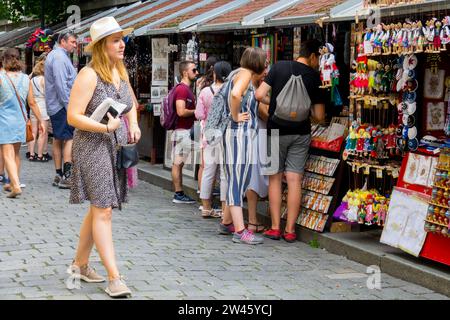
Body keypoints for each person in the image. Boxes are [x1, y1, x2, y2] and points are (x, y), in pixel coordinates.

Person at [67, 17, 140, 298]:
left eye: (122, 39)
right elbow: (74, 116)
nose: (122, 44)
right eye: (115, 40)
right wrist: (105, 127)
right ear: (101, 46)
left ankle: (79, 265)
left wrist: (132, 123)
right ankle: (114, 277)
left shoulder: (120, 70)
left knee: (100, 207)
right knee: (104, 210)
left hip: (113, 146)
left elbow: (130, 103)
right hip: (91, 146)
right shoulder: (89, 74)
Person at [255, 39, 326, 243]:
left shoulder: (279, 67)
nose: (318, 63)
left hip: (275, 131)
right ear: (312, 56)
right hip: (300, 133)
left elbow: (259, 95)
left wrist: (276, 102)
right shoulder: (315, 77)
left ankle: (275, 228)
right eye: (318, 59)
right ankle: (290, 230)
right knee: (295, 180)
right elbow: (320, 117)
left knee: (275, 178)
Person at [223, 47, 267, 245]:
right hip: (238, 134)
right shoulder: (245, 74)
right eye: (264, 61)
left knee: (237, 177)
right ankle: (240, 231)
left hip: (239, 134)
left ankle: (226, 222)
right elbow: (235, 94)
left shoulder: (244, 75)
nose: (266, 65)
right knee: (237, 180)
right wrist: (235, 116)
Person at [0, 48, 44, 198]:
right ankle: (13, 183)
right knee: (16, 153)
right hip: (21, 120)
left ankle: (16, 186)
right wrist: (41, 120)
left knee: (7, 153)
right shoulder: (26, 79)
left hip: (4, 120)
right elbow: (31, 102)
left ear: (4, 60)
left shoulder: (1, 77)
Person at [195, 61, 231, 218]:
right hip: (226, 135)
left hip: (209, 134)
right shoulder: (231, 91)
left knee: (208, 170)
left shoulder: (205, 92)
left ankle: (206, 207)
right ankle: (224, 209)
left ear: (214, 73)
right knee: (224, 173)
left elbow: (199, 114)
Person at [45, 30, 77, 189]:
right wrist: (69, 105)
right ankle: (67, 176)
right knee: (69, 138)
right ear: (63, 41)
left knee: (58, 138)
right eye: (72, 42)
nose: (75, 45)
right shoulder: (59, 57)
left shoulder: (56, 55)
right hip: (61, 105)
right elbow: (61, 84)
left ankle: (58, 174)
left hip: (55, 105)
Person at [171, 61, 198, 204]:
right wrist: (197, 111)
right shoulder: (182, 90)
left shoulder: (186, 89)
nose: (197, 72)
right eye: (194, 70)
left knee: (178, 163)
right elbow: (181, 111)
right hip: (182, 131)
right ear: (185, 72)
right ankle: (178, 193)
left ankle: (179, 193)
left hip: (184, 131)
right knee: (178, 163)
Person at [27, 55, 50, 162]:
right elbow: (48, 95)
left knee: (33, 132)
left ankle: (31, 154)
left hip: (33, 107)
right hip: (43, 107)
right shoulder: (44, 80)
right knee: (43, 132)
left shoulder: (32, 80)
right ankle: (40, 155)